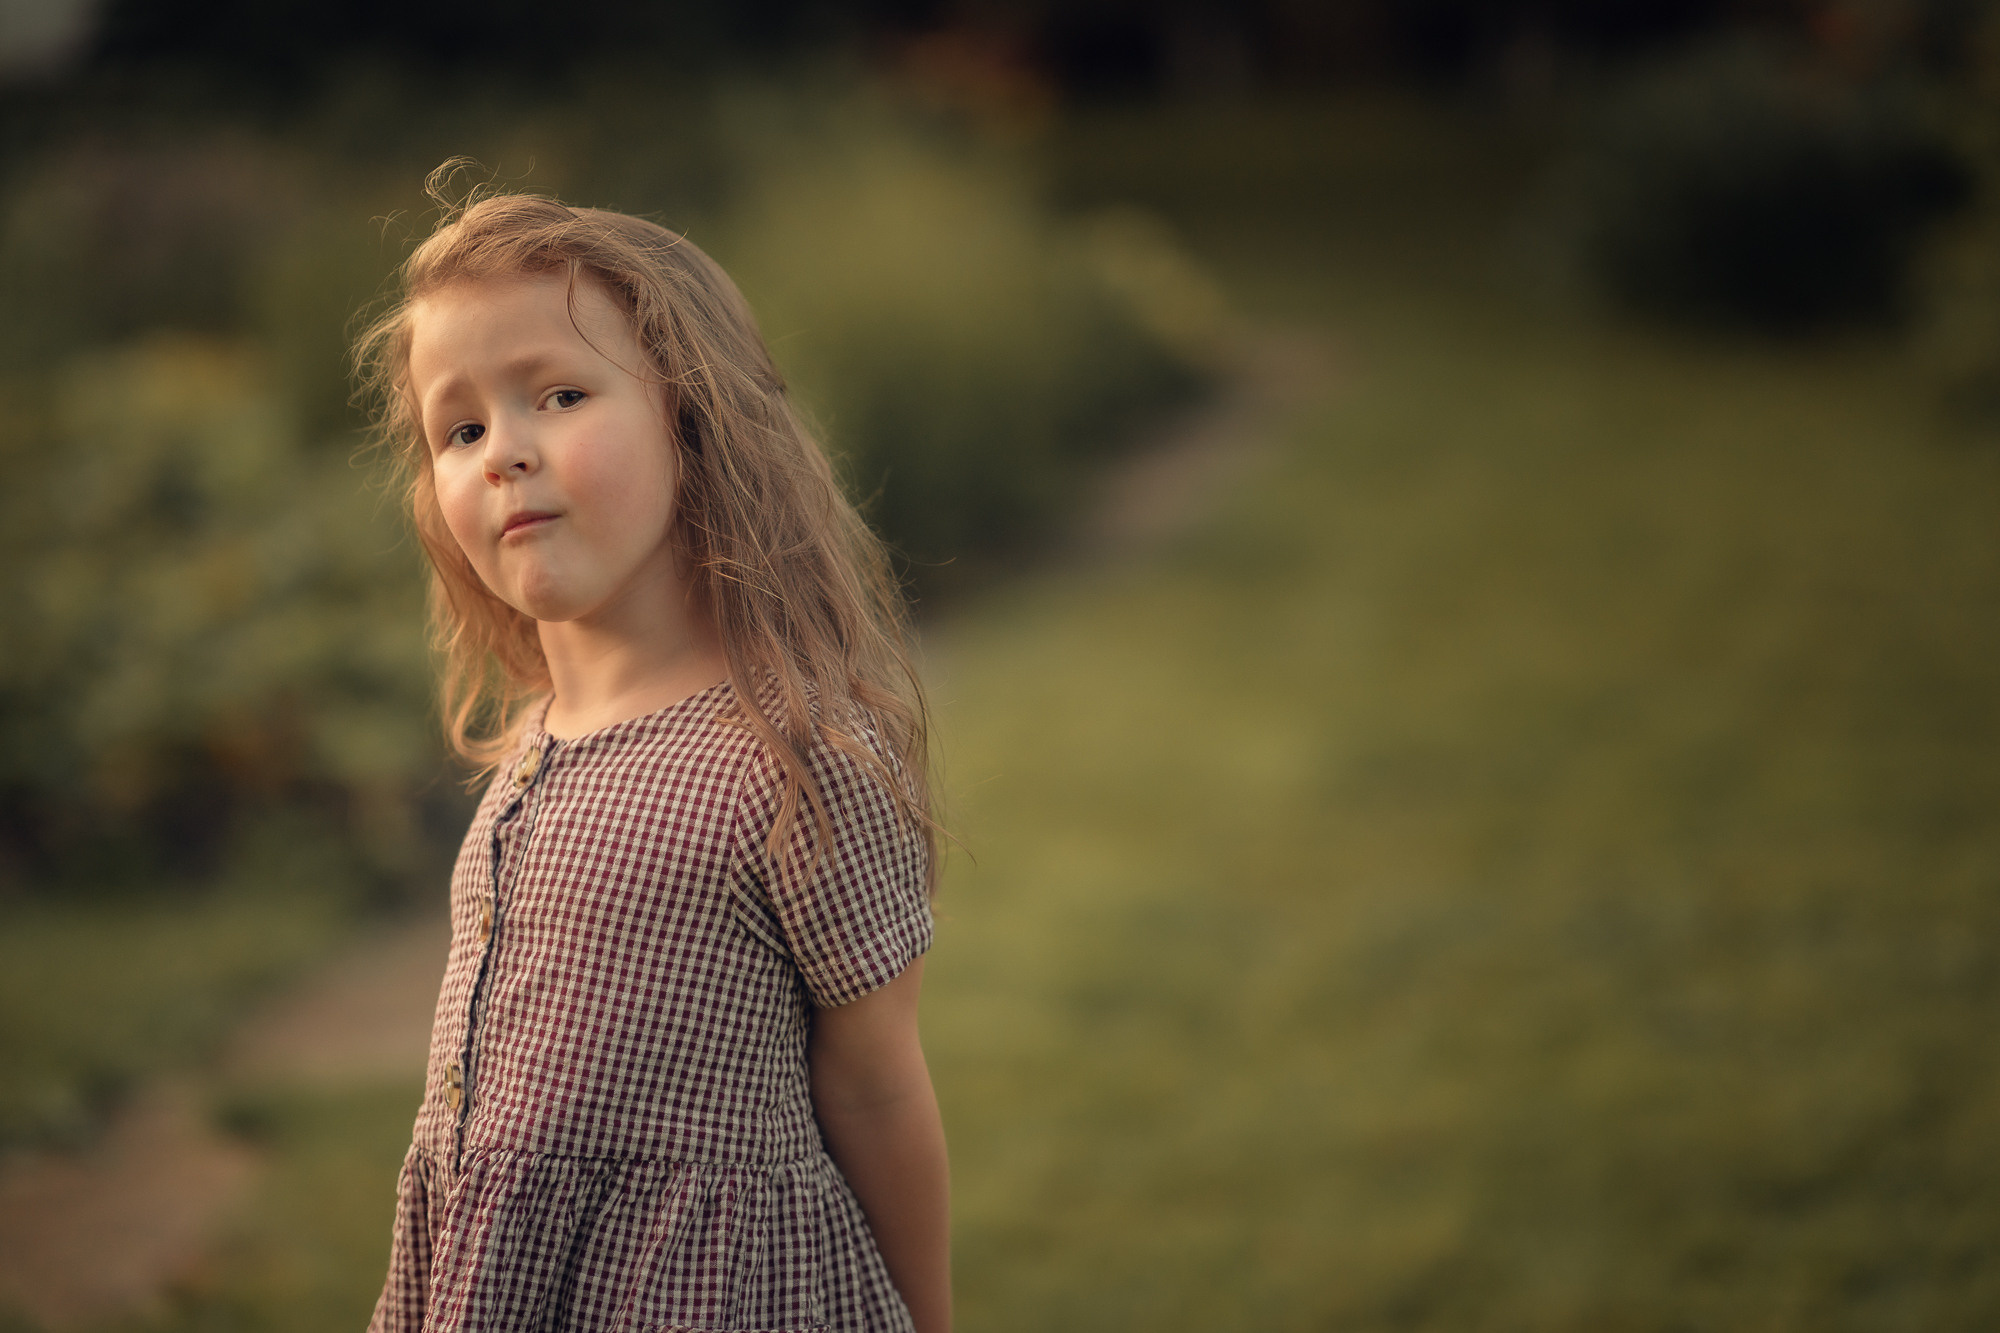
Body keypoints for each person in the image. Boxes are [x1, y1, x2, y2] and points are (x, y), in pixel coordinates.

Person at [351, 172, 949, 1333]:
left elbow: (876, 1083)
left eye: (558, 395)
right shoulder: (533, 744)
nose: (502, 453)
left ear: (692, 415)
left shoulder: (794, 757)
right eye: (459, 427)